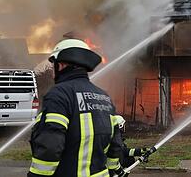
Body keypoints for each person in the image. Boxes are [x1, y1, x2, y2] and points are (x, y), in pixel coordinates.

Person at [28, 38, 152, 177]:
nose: (52, 71)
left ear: (61, 65)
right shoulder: (104, 97)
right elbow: (116, 145)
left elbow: (50, 145)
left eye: (53, 65)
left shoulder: (60, 94)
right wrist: (114, 170)